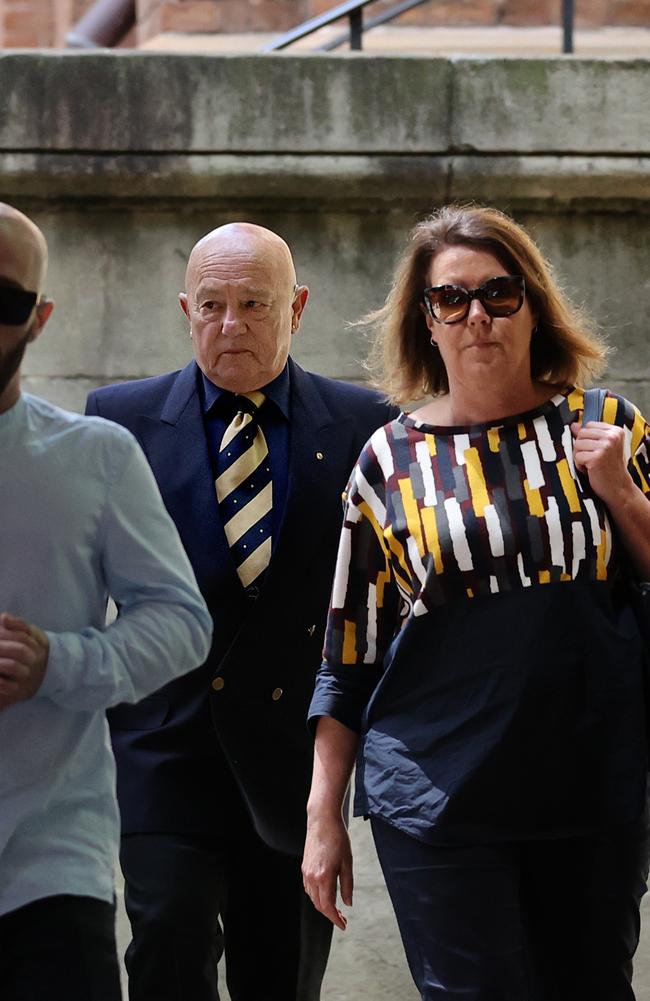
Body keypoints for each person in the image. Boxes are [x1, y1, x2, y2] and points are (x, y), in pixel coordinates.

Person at [303, 204, 650, 1001]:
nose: (477, 316)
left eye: (499, 293)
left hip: (589, 787)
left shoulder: (609, 427)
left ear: (534, 303)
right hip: (438, 798)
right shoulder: (387, 461)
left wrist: (621, 493)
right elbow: (346, 654)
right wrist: (323, 817)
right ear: (426, 319)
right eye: (451, 298)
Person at [85, 221, 398, 1001]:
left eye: (254, 304)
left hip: (294, 764)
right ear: (185, 309)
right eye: (213, 305)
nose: (231, 326)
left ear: (296, 306)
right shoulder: (118, 418)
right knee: (167, 945)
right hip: (164, 749)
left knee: (283, 974)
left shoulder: (366, 425)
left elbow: (381, 603)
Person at [0, 203, 212, 1001]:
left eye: (3, 301)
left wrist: (59, 660)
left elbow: (182, 622)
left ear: (41, 319)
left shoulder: (95, 456)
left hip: (49, 862)